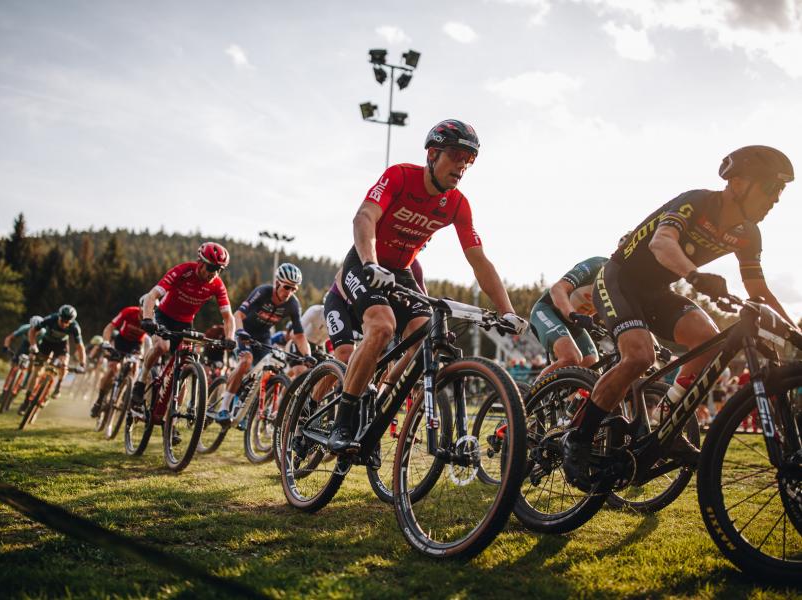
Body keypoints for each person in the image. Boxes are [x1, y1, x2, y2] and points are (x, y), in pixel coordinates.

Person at [563, 145, 797, 486]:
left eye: (780, 193)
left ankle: (668, 423)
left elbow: (758, 292)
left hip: (658, 293)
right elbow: (662, 243)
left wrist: (794, 333)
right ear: (739, 183)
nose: (775, 200)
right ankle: (578, 439)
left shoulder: (749, 234)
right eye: (770, 188)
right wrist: (696, 277)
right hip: (620, 279)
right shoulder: (698, 202)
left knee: (711, 341)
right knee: (640, 355)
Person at [327, 119, 529, 453]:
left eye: (469, 159)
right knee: (381, 326)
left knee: (425, 337)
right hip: (367, 262)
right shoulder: (400, 176)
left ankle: (384, 395)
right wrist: (370, 262)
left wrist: (507, 311)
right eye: (456, 155)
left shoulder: (458, 204)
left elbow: (479, 260)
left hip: (402, 271)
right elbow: (364, 217)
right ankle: (343, 421)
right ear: (433, 154)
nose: (462, 165)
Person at [132, 242, 236, 407]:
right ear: (200, 262)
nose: (214, 273)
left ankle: (171, 422)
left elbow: (228, 317)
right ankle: (141, 380)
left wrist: (230, 337)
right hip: (164, 316)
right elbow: (152, 295)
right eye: (211, 268)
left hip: (186, 323)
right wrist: (147, 319)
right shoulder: (183, 271)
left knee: (186, 366)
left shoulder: (217, 284)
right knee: (162, 347)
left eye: (219, 269)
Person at [215, 263, 315, 423]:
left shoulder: (293, 304)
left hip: (263, 336)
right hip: (245, 331)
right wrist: (240, 332)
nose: (290, 292)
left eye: (294, 289)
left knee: (269, 371)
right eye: (287, 287)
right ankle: (224, 408)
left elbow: (300, 335)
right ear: (277, 283)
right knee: (246, 361)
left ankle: (245, 406)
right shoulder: (262, 292)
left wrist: (307, 355)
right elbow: (238, 315)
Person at [529, 256, 607, 377]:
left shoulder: (623, 286)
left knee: (592, 367)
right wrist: (572, 313)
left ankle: (572, 397)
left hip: (574, 323)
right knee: (570, 357)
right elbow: (557, 289)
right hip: (548, 310)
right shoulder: (598, 264)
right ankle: (532, 395)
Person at [20, 304, 86, 411]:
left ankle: (58, 385)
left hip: (61, 346)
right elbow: (32, 331)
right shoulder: (51, 319)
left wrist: (82, 363)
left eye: (67, 322)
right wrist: (33, 345)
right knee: (36, 372)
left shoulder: (75, 327)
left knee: (63, 364)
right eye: (62, 321)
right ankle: (26, 400)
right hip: (46, 343)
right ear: (59, 316)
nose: (64, 324)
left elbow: (80, 346)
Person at [90, 304, 147, 418]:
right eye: (142, 313)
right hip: (121, 341)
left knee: (135, 365)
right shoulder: (129, 311)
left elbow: (151, 339)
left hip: (136, 344)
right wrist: (106, 342)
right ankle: (99, 400)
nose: (145, 316)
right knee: (113, 368)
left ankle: (127, 391)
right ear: (140, 308)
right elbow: (110, 326)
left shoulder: (153, 318)